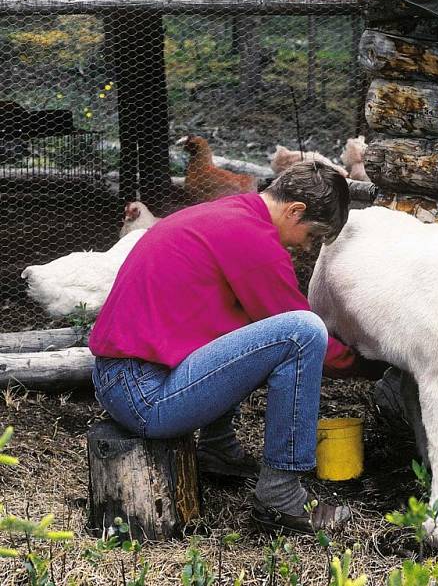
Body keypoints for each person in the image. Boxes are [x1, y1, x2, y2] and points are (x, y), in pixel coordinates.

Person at [89, 160, 388, 535]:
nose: (306, 247)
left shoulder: (230, 215)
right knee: (302, 331)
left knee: (261, 327)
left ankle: (218, 449)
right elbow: (301, 333)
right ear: (296, 210)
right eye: (312, 236)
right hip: (145, 397)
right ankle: (280, 498)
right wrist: (370, 364)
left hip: (123, 381)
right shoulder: (253, 239)